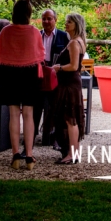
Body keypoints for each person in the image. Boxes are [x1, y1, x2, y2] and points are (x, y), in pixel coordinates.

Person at [0, 0, 44, 170]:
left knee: (14, 114)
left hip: (10, 74)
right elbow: (40, 55)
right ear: (29, 13)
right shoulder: (34, 32)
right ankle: (29, 156)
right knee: (29, 114)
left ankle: (15, 156)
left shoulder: (6, 31)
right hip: (29, 74)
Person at [52, 13, 87, 165]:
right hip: (72, 83)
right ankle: (73, 153)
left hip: (69, 85)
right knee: (71, 119)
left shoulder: (74, 43)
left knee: (70, 119)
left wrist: (58, 67)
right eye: (66, 22)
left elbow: (73, 66)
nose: (66, 24)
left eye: (69, 22)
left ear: (76, 25)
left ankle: (72, 154)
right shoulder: (79, 41)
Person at [38, 9, 70, 148]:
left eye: (49, 18)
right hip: (39, 76)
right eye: (44, 19)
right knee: (36, 106)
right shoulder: (37, 35)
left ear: (55, 20)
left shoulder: (64, 36)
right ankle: (33, 135)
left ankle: (56, 138)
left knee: (56, 107)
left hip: (57, 77)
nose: (46, 21)